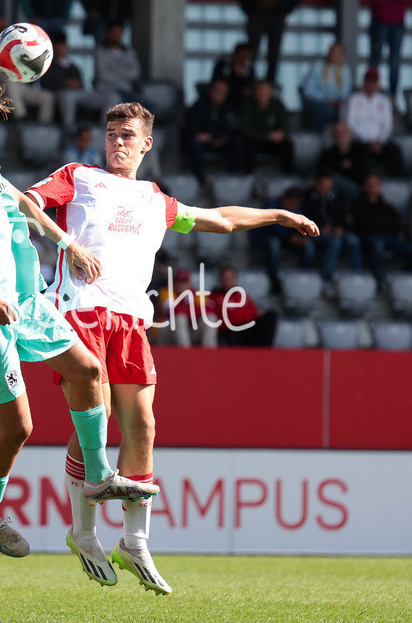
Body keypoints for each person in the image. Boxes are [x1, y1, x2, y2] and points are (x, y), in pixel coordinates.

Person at [23, 101, 317, 591]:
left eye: (127, 134)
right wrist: (66, 244)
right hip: (80, 312)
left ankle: (134, 540)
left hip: (131, 321)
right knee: (93, 419)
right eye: (111, 132)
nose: (117, 141)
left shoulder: (154, 199)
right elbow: (26, 202)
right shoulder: (78, 176)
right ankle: (83, 530)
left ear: (146, 143)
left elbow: (219, 219)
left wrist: (277, 215)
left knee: (142, 423)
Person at [0, 70, 158, 560]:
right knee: (19, 428)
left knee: (88, 370)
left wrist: (67, 243)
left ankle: (98, 477)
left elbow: (26, 206)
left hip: (25, 304)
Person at [351, 173, 412, 285]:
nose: (373, 187)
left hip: (390, 238)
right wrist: (382, 225)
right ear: (364, 186)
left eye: (375, 184)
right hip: (369, 239)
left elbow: (396, 226)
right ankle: (376, 282)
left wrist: (376, 224)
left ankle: (400, 279)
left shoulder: (387, 207)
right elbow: (363, 226)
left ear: (380, 187)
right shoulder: (358, 206)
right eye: (370, 184)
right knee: (378, 245)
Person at [39, 31, 117, 132]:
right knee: (68, 96)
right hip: (61, 93)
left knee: (112, 96)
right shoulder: (49, 65)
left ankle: (105, 130)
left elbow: (82, 85)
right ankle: (69, 130)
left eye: (63, 45)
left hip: (79, 93)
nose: (61, 48)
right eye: (58, 45)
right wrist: (65, 83)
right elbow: (44, 84)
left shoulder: (74, 67)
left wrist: (76, 84)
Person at [0, 17, 54, 123]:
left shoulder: (18, 45)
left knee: (47, 97)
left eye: (3, 28)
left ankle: (41, 130)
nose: (0, 31)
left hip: (21, 85)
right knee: (10, 80)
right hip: (0, 87)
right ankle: (21, 118)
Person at [367, 0, 412, 99]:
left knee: (394, 62)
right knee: (375, 60)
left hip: (397, 24)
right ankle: (371, 93)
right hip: (379, 22)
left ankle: (392, 97)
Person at [302, 170, 364, 281]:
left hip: (335, 231)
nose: (325, 188)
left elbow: (343, 218)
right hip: (316, 232)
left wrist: (340, 228)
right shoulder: (307, 198)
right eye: (323, 185)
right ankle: (326, 277)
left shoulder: (336, 199)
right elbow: (304, 217)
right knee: (335, 242)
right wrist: (320, 227)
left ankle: (357, 275)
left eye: (328, 185)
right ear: (317, 183)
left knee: (353, 240)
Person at [343, 68, 402, 174]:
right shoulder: (354, 99)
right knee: (362, 151)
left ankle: (395, 183)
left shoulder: (384, 100)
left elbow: (388, 125)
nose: (371, 84)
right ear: (364, 82)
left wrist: (380, 140)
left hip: (380, 142)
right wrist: (366, 141)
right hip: (359, 141)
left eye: (374, 82)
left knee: (394, 151)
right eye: (369, 81)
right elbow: (349, 123)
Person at [254, 186, 312, 291]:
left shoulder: (297, 209)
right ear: (285, 199)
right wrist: (289, 237)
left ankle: (304, 277)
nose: (295, 206)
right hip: (265, 237)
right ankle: (273, 278)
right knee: (273, 243)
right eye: (293, 203)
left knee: (308, 245)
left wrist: (300, 237)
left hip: (286, 240)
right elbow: (271, 226)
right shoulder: (272, 205)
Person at [184, 77, 242, 178]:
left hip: (222, 141)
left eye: (224, 92)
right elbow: (190, 127)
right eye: (218, 91)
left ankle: (233, 178)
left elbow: (231, 128)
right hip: (203, 142)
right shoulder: (198, 105)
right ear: (211, 90)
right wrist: (207, 137)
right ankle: (200, 179)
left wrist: (220, 137)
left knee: (237, 143)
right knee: (194, 144)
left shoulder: (228, 107)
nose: (221, 95)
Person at [212, 265, 278, 347]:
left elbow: (255, 315)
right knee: (230, 334)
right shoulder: (213, 297)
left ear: (235, 279)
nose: (228, 280)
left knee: (271, 316)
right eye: (225, 277)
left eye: (231, 277)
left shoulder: (244, 296)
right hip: (230, 331)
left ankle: (264, 352)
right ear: (220, 280)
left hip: (248, 329)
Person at [238, 79, 293, 172]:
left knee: (288, 145)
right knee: (248, 144)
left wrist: (280, 134)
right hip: (255, 139)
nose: (262, 94)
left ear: (270, 93)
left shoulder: (277, 105)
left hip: (273, 141)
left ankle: (287, 175)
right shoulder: (247, 105)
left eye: (265, 92)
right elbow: (246, 130)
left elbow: (285, 126)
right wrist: (267, 135)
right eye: (259, 91)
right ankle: (248, 174)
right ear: (254, 92)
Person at [158, 267, 219, 348]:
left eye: (184, 282)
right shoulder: (166, 292)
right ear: (173, 283)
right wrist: (195, 309)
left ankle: (209, 351)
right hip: (167, 334)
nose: (181, 285)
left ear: (189, 283)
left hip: (189, 332)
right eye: (178, 282)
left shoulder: (195, 293)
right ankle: (185, 352)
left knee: (211, 318)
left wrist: (187, 310)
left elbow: (210, 309)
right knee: (180, 318)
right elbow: (173, 311)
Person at [300, 41, 353, 132]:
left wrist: (337, 102)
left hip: (337, 103)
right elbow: (308, 90)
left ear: (342, 55)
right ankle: (314, 136)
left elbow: (346, 92)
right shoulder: (317, 66)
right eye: (332, 52)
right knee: (327, 111)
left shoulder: (345, 70)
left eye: (337, 53)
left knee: (348, 111)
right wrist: (326, 99)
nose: (334, 55)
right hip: (318, 101)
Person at [320, 121, 369, 205]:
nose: (340, 136)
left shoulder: (361, 150)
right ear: (334, 136)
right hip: (335, 187)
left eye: (343, 133)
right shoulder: (328, 153)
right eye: (337, 134)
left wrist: (347, 166)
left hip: (357, 187)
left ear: (350, 134)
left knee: (334, 179)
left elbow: (364, 170)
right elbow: (325, 172)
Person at [93, 22, 140, 102]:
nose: (116, 36)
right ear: (107, 33)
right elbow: (101, 75)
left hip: (126, 90)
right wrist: (124, 72)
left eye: (118, 33)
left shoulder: (129, 51)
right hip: (106, 90)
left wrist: (113, 69)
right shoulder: (99, 51)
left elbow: (135, 73)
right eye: (113, 32)